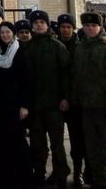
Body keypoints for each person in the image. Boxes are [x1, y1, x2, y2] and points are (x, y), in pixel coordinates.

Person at [71, 12, 106, 189]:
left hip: (105, 109)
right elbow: (76, 77)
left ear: (100, 27)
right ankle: (99, 182)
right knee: (92, 150)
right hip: (87, 108)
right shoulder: (80, 48)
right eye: (86, 26)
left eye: (93, 26)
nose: (89, 28)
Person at [25, 10, 71, 188]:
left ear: (47, 25)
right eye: (35, 23)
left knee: (57, 142)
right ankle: (39, 171)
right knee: (37, 142)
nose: (38, 25)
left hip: (54, 104)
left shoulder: (57, 46)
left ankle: (60, 173)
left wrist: (66, 97)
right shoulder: (27, 47)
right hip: (35, 105)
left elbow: (67, 74)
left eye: (41, 22)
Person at [0, 21, 31, 189]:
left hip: (16, 104)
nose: (5, 35)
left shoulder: (21, 51)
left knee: (18, 141)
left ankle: (24, 175)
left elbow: (27, 81)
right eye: (2, 32)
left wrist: (24, 105)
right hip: (0, 105)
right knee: (3, 141)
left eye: (8, 32)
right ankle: (7, 175)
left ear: (13, 34)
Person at [57, 13, 87, 187]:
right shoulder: (55, 45)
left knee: (78, 140)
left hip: (76, 101)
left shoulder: (80, 47)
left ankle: (78, 172)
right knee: (56, 141)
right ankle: (59, 171)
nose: (66, 30)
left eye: (69, 27)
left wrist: (70, 97)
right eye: (63, 27)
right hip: (57, 99)